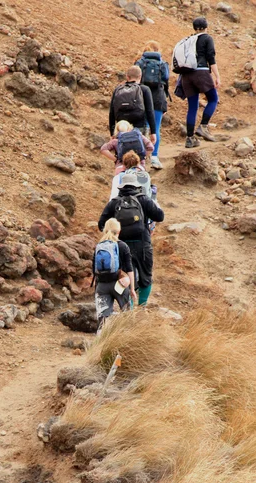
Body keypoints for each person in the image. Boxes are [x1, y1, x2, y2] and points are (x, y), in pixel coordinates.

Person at [98, 172, 164, 307]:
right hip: (143, 244)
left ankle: (129, 309)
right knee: (146, 276)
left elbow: (101, 224)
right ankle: (142, 307)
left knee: (126, 277)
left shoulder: (114, 202)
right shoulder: (144, 199)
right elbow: (160, 216)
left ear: (121, 187)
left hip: (122, 245)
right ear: (136, 186)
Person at [180, 17, 221, 148]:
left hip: (186, 75)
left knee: (192, 107)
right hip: (201, 72)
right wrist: (217, 76)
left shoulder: (188, 39)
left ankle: (189, 138)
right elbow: (211, 58)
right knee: (213, 98)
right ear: (206, 27)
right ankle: (203, 126)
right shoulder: (207, 38)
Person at [93, 218, 136, 329]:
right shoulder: (122, 246)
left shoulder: (99, 246)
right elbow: (129, 269)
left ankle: (101, 343)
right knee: (127, 316)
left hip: (102, 286)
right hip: (120, 285)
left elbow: (94, 270)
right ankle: (128, 341)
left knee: (102, 320)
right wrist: (132, 289)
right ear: (119, 231)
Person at [135, 41, 169, 170]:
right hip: (158, 98)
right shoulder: (162, 64)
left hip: (141, 97)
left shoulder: (140, 62)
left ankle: (140, 158)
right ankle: (154, 158)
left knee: (142, 128)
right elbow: (166, 80)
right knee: (156, 128)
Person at [100, 120, 154, 200]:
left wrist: (115, 159)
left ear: (117, 131)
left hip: (121, 169)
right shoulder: (139, 136)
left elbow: (103, 149)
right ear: (130, 128)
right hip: (139, 168)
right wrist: (142, 157)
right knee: (147, 194)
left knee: (116, 191)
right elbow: (151, 147)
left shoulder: (116, 141)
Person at [108, 66, 157, 144]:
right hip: (139, 127)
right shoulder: (144, 89)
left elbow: (112, 112)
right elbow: (150, 111)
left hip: (122, 128)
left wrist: (112, 133)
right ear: (140, 76)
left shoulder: (118, 89)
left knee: (122, 151)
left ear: (127, 76)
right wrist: (153, 132)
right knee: (140, 151)